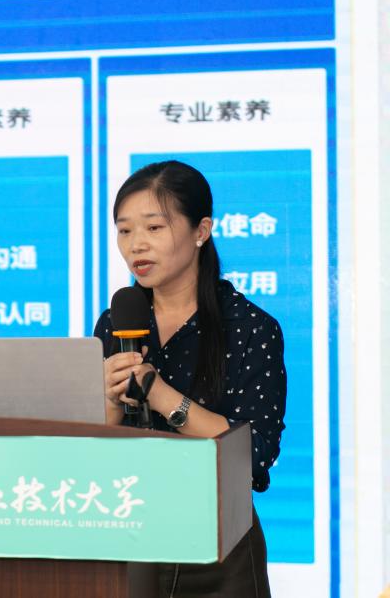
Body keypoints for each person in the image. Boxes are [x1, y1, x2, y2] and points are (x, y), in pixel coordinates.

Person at [93, 160, 287, 598]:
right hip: (125, 534)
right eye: (124, 231)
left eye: (154, 227)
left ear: (201, 230)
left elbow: (254, 454)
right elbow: (90, 450)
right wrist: (107, 401)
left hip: (217, 549)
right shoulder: (116, 322)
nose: (136, 245)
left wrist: (163, 396)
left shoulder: (250, 328)